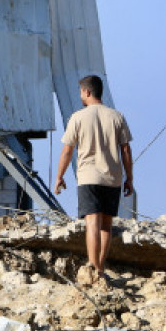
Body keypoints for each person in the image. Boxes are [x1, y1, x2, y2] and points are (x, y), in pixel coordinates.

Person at [54, 75, 133, 279]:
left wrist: (59, 176)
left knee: (92, 224)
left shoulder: (78, 117)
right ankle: (101, 267)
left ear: (87, 92)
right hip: (112, 177)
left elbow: (67, 151)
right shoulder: (117, 116)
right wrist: (129, 178)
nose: (80, 95)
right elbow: (126, 150)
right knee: (106, 225)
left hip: (89, 177)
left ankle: (94, 267)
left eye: (81, 91)